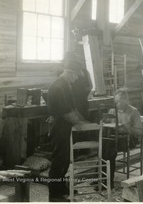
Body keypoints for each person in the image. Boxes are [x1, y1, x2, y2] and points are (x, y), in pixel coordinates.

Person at [47, 51, 88, 202]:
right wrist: (83, 125)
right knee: (59, 159)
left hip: (63, 125)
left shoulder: (65, 84)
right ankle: (55, 194)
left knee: (64, 159)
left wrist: (84, 121)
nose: (77, 77)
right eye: (76, 75)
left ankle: (61, 187)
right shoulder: (60, 86)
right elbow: (67, 113)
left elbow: (72, 108)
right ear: (70, 72)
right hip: (59, 126)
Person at [100, 88, 143, 189]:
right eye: (117, 101)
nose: (118, 104)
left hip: (129, 139)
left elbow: (140, 132)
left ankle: (108, 182)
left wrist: (128, 128)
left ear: (126, 100)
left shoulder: (133, 111)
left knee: (110, 147)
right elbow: (107, 124)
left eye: (121, 101)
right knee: (102, 145)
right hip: (115, 138)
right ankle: (101, 178)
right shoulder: (112, 110)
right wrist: (104, 122)